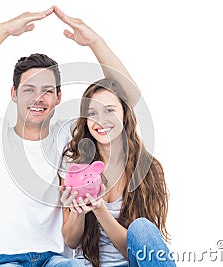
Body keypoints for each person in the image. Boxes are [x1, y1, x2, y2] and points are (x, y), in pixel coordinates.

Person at [0, 5, 140, 267]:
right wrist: (4, 30)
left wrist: (95, 42)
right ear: (14, 93)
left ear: (58, 97)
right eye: (29, 89)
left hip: (55, 259)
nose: (38, 98)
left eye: (47, 90)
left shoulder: (68, 135)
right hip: (3, 261)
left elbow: (126, 97)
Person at [59, 78, 176, 266]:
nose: (100, 121)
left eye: (109, 110)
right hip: (90, 264)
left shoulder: (147, 169)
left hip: (132, 263)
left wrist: (100, 209)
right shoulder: (76, 166)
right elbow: (71, 241)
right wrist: (77, 211)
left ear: (124, 114)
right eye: (92, 113)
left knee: (142, 228)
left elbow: (139, 249)